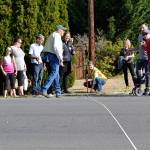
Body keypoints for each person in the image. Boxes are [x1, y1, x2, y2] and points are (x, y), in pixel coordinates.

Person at [41, 25, 66, 98]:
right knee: (54, 72)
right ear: (59, 30)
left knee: (56, 74)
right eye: (63, 30)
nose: (64, 32)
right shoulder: (57, 35)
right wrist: (60, 58)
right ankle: (44, 89)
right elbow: (56, 47)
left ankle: (58, 92)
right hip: (53, 56)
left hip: (49, 55)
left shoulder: (52, 34)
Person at [136, 23, 149, 95]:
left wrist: (145, 44)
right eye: (141, 28)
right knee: (138, 72)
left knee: (147, 74)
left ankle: (147, 88)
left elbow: (147, 45)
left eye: (143, 28)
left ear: (147, 27)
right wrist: (131, 50)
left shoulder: (148, 34)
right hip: (140, 57)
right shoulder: (139, 36)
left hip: (147, 58)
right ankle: (139, 87)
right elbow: (138, 46)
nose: (142, 29)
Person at [141, 29, 150, 95]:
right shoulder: (146, 42)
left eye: (146, 34)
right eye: (144, 34)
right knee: (148, 74)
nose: (145, 35)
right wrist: (144, 46)